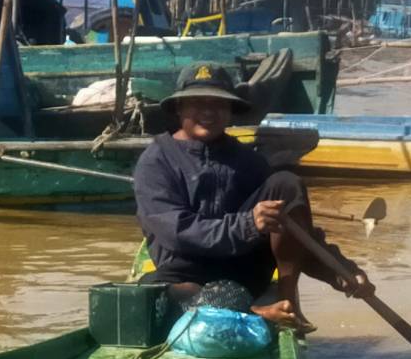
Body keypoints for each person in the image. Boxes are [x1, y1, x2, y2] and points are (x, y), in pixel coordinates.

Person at [134, 62, 375, 331]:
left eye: (218, 104)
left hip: (244, 272)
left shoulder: (248, 160)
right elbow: (176, 232)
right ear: (179, 108)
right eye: (197, 103)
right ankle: (256, 313)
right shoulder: (156, 161)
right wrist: (248, 224)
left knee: (286, 184)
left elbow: (295, 229)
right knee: (154, 294)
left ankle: (287, 298)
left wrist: (340, 272)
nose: (208, 112)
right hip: (187, 271)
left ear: (230, 110)